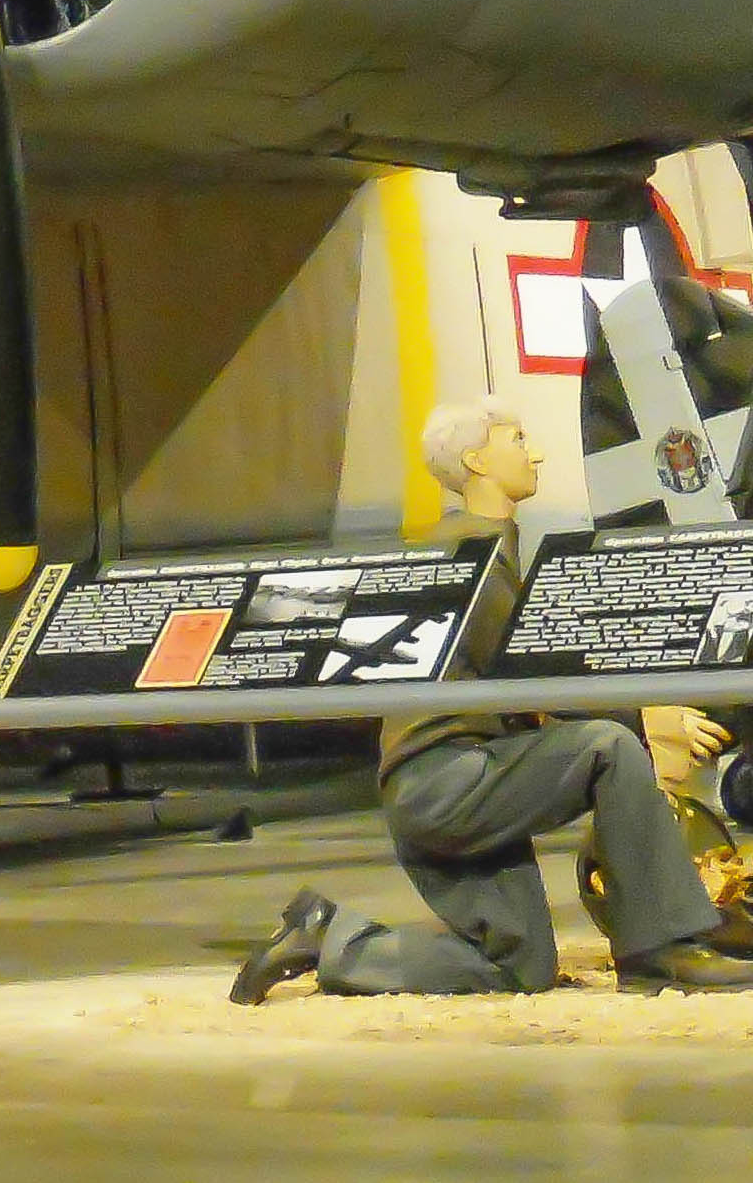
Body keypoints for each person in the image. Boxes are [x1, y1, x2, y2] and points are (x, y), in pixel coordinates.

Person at [232, 397, 753, 999]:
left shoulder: (486, 547)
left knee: (515, 966)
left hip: (462, 781)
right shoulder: (471, 550)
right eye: (516, 437)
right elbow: (537, 669)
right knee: (607, 747)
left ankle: (327, 937)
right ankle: (659, 949)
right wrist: (643, 717)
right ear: (477, 458)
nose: (534, 451)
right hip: (446, 780)